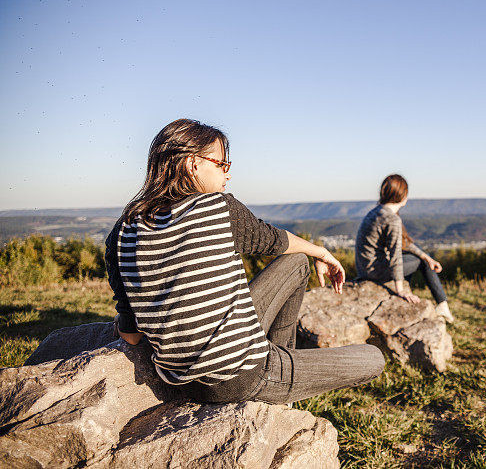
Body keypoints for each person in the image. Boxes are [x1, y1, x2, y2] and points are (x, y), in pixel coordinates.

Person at [105, 118, 384, 404]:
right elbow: (273, 239)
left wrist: (317, 254)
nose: (227, 175)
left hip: (182, 384)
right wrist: (325, 254)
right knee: (374, 358)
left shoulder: (123, 230)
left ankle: (281, 366)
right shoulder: (217, 207)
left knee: (297, 262)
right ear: (193, 164)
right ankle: (278, 382)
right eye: (221, 164)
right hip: (244, 376)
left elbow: (131, 336)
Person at [355, 174, 454, 323]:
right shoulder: (392, 219)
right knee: (421, 263)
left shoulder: (376, 211)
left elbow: (404, 244)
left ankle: (439, 303)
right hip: (375, 272)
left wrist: (428, 257)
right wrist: (400, 290)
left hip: (364, 269)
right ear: (402, 195)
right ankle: (442, 305)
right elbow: (395, 256)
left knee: (422, 258)